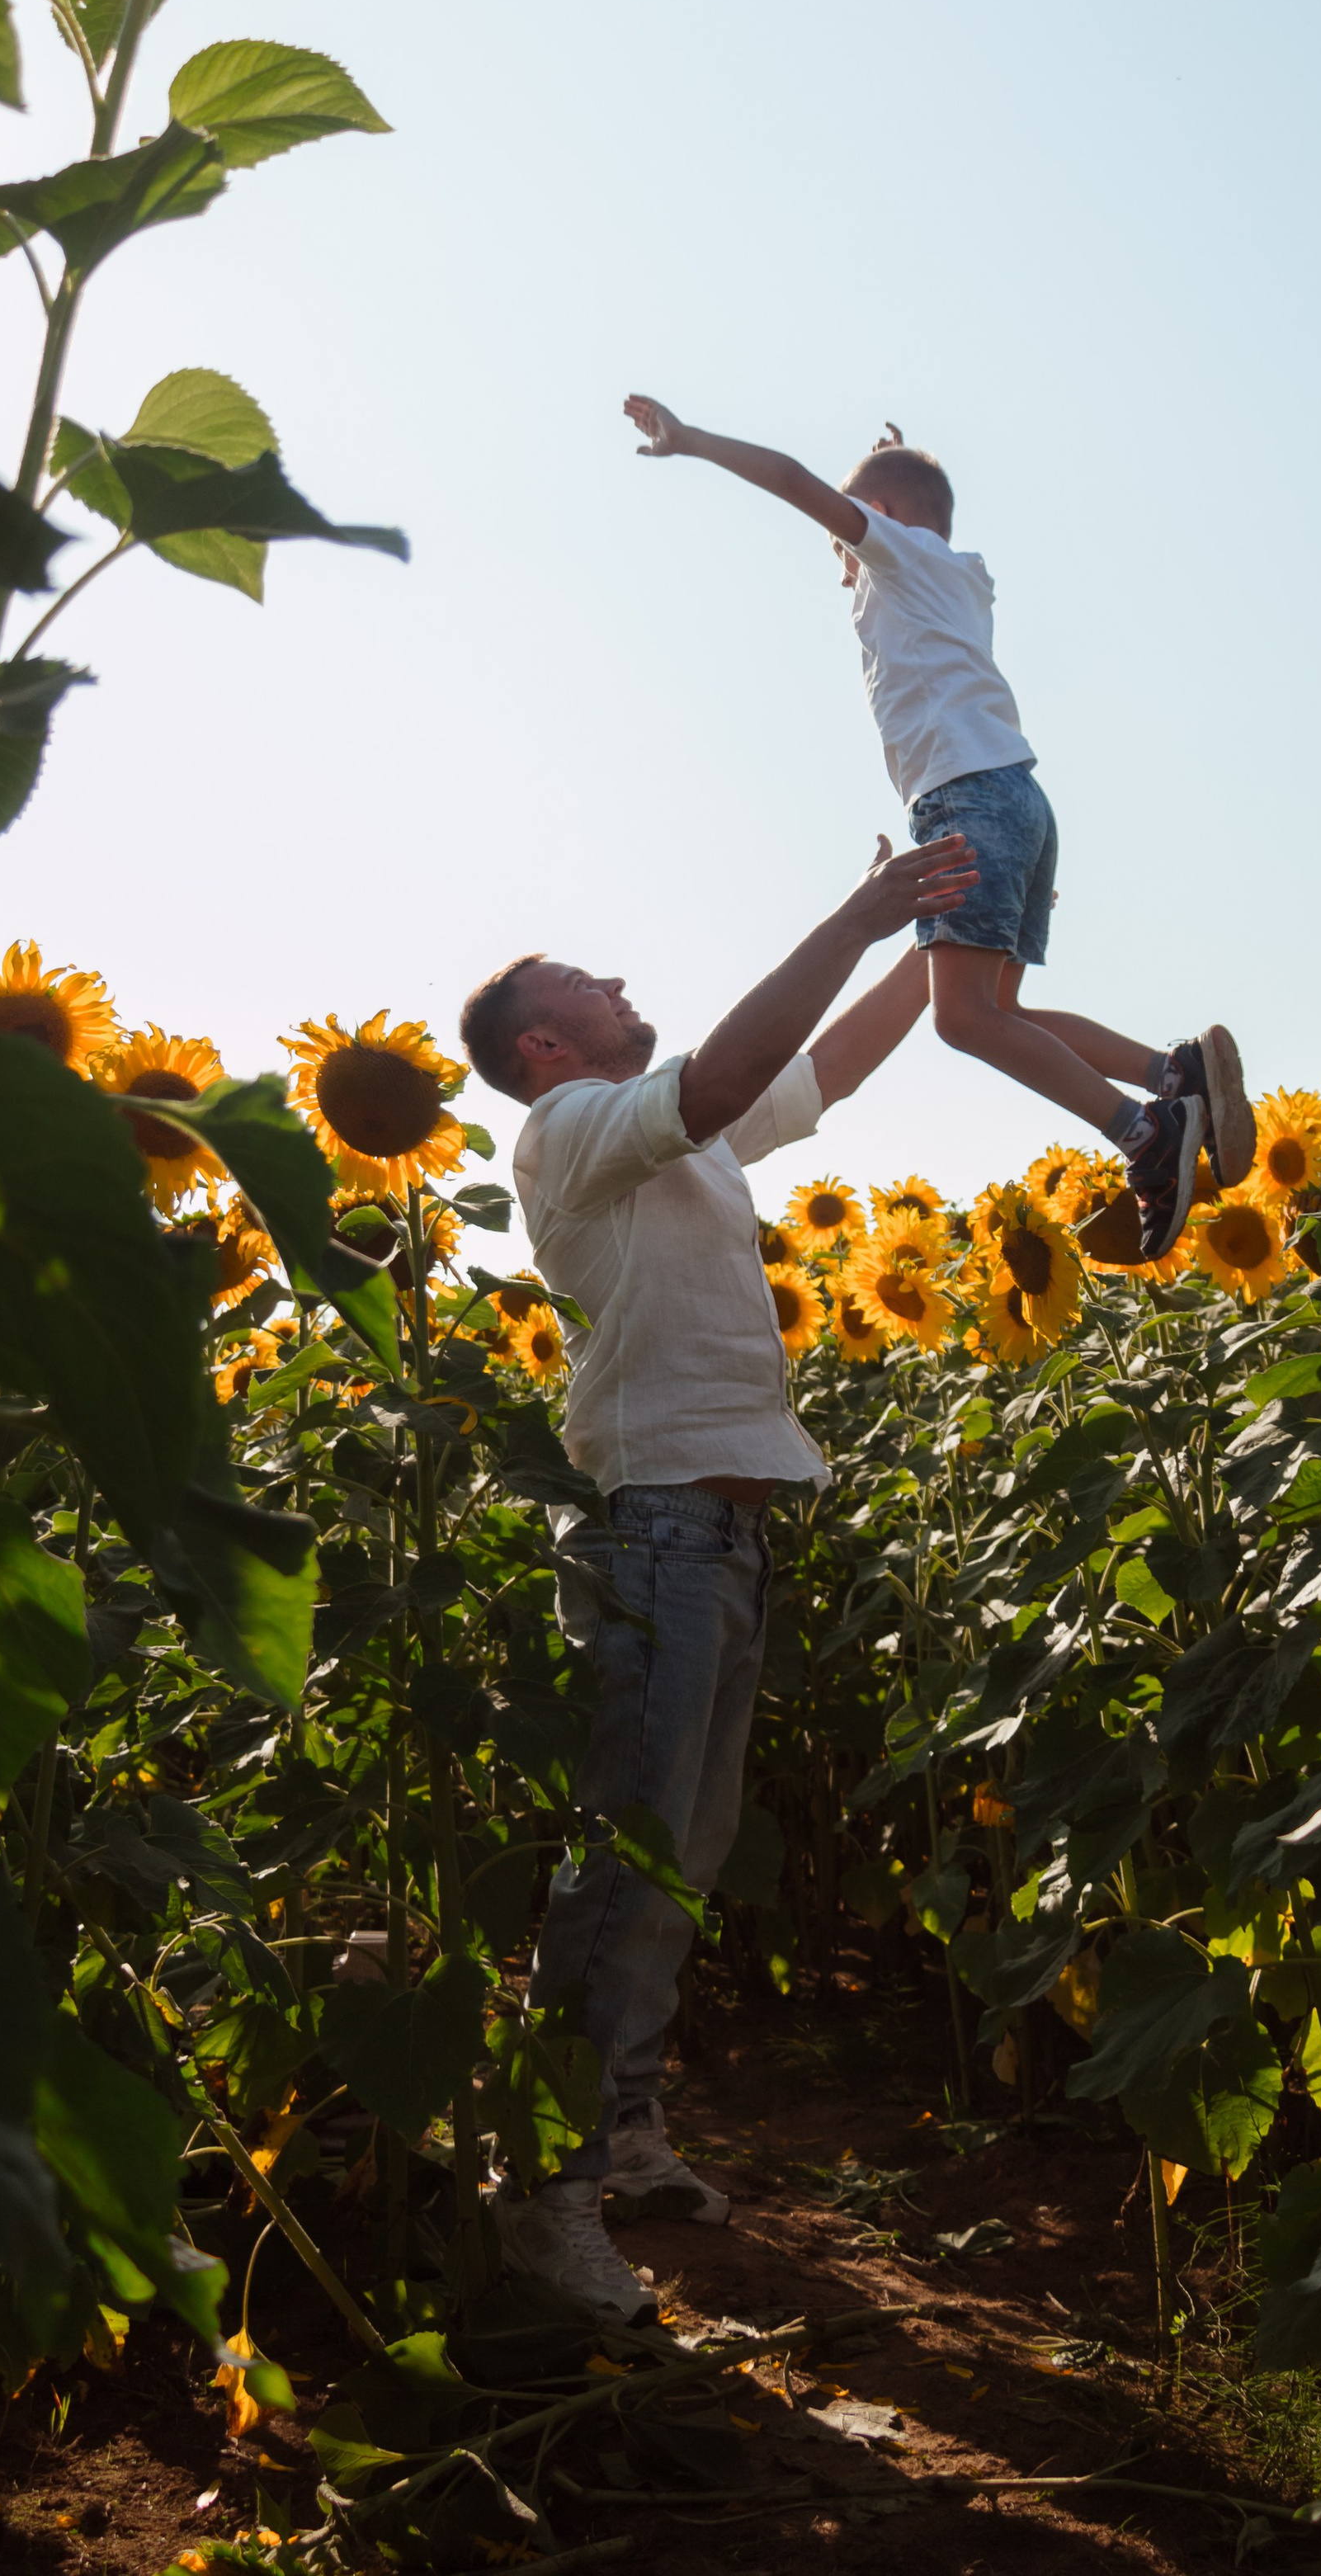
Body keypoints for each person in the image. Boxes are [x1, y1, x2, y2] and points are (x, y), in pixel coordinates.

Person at [457, 829, 975, 2320]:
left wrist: (933, 943)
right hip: (652, 1535)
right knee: (618, 1869)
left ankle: (618, 2135)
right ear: (547, 1042)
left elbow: (824, 1072)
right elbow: (730, 1075)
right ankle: (542, 2197)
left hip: (722, 1539)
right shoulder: (573, 1131)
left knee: (673, 1863)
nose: (623, 980)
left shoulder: (667, 1146)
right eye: (589, 981)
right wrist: (860, 903)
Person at [620, 397, 1255, 1254]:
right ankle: (1171, 1074)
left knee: (960, 1021)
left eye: (846, 533)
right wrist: (886, 473)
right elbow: (879, 517)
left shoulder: (901, 558)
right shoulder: (954, 575)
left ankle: (1147, 1133)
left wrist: (692, 442)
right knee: (999, 1010)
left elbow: (796, 484)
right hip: (1016, 797)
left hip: (964, 799)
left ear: (876, 519)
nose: (838, 552)